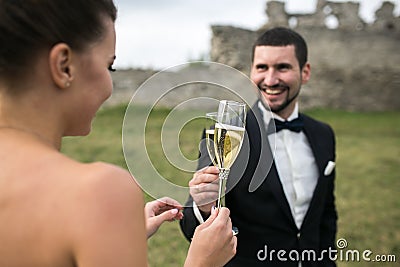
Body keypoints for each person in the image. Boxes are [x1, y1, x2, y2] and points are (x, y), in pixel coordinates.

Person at [0, 1, 236, 266]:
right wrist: (202, 262)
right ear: (64, 66)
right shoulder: (99, 192)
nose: (109, 85)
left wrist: (111, 238)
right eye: (108, 66)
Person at [180, 27, 338, 266]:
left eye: (282, 67)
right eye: (262, 68)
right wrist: (203, 207)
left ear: (305, 72)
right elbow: (191, 226)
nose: (270, 80)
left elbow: (326, 213)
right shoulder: (227, 133)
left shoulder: (323, 134)